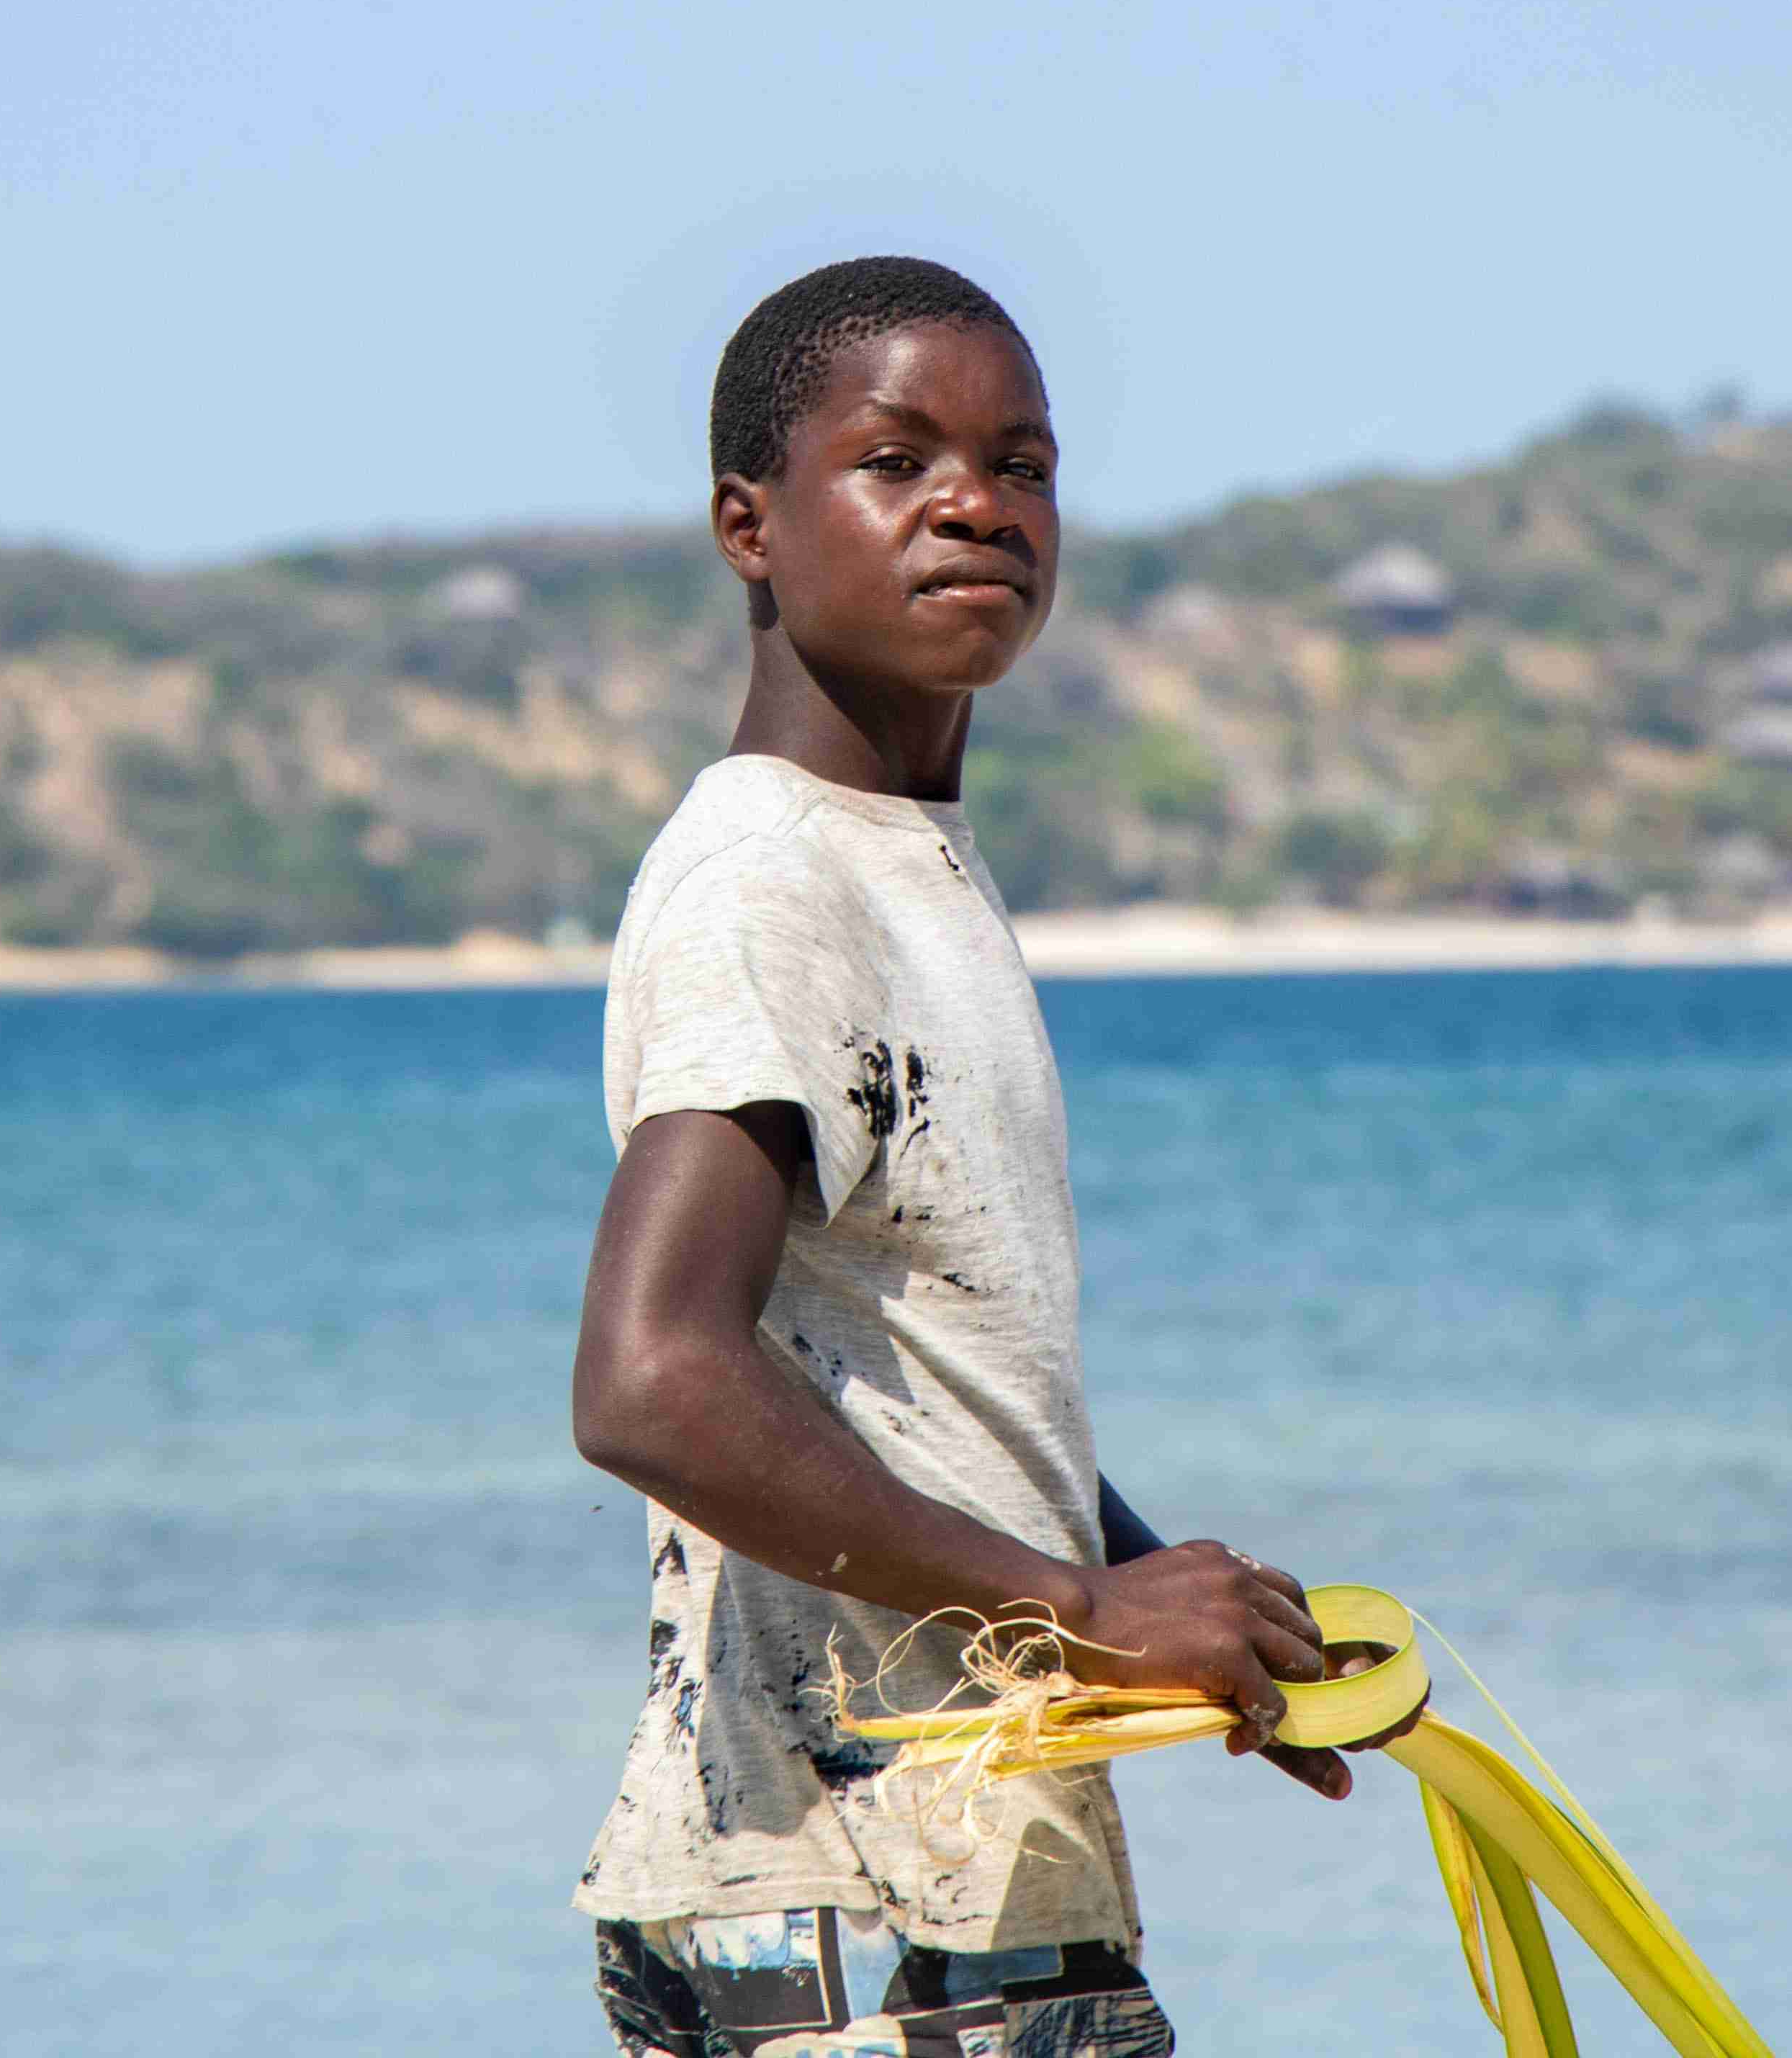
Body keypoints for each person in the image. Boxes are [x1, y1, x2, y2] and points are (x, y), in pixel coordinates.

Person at [568, 255, 1360, 2058]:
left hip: (957, 1879)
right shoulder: (769, 879)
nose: (976, 503)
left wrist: (1194, 1613)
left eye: (1025, 462)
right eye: (897, 457)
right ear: (747, 526)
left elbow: (903, 1385)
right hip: (854, 1910)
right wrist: (1079, 1610)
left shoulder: (901, 859)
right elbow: (651, 1379)